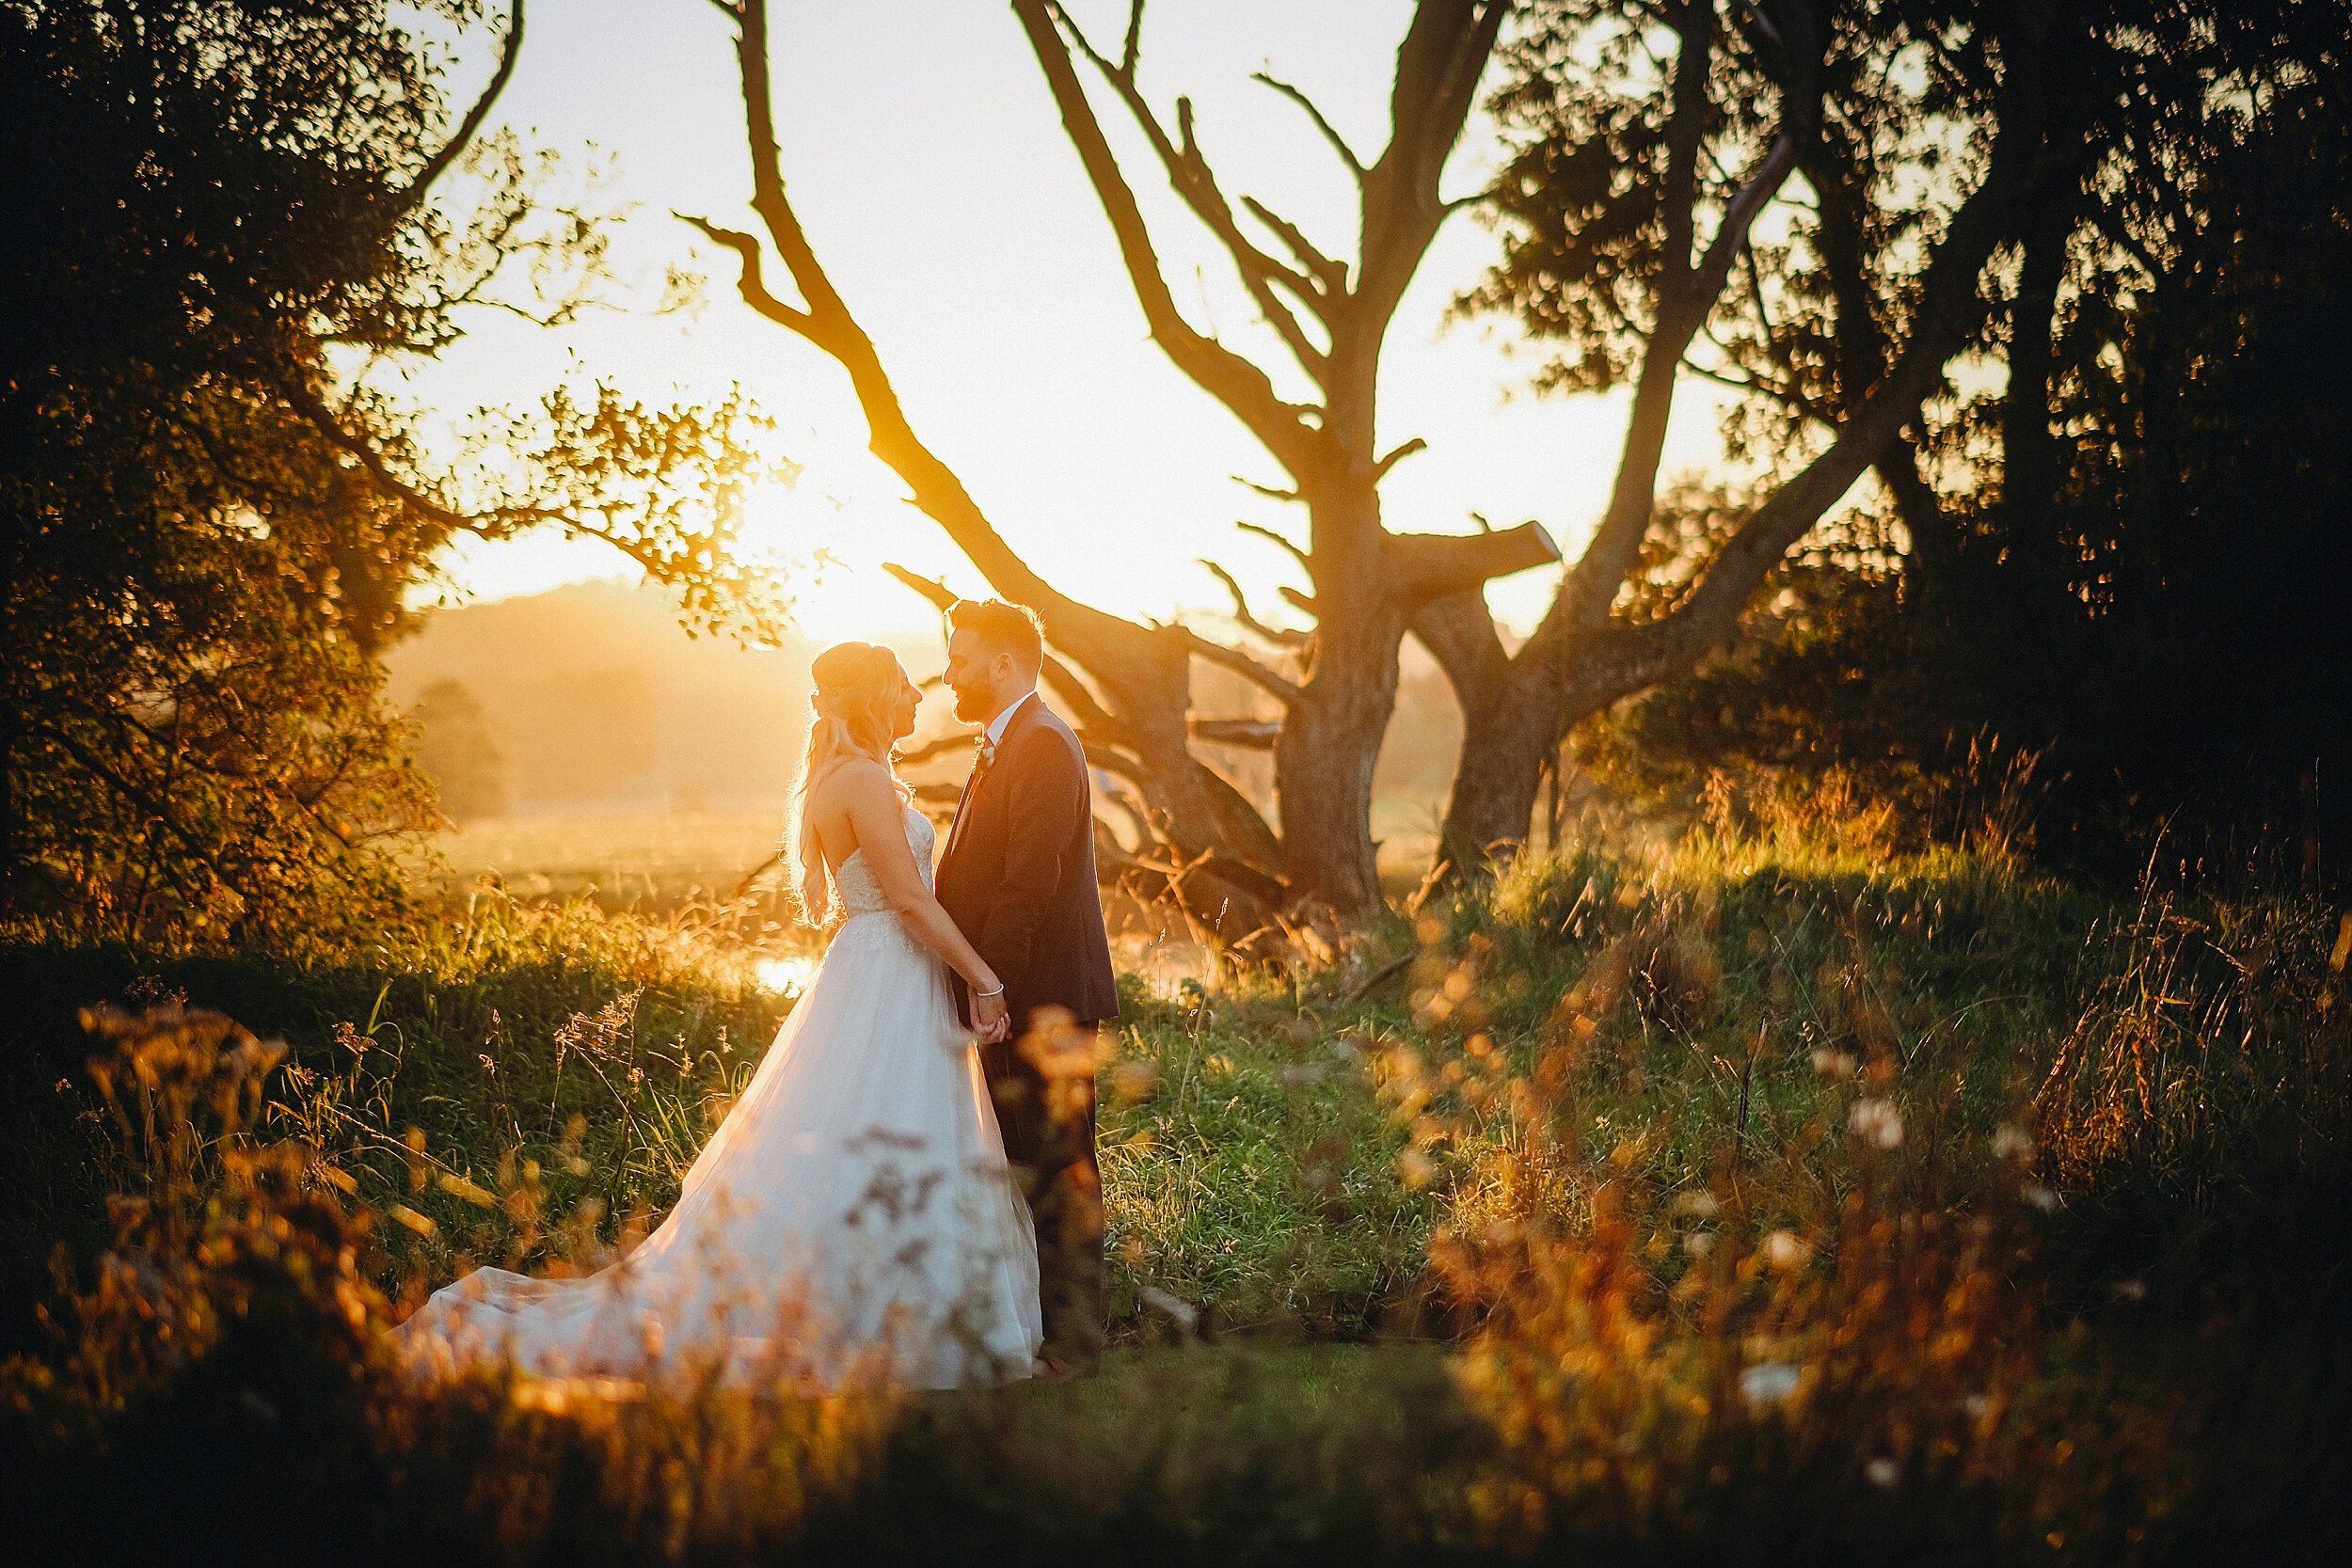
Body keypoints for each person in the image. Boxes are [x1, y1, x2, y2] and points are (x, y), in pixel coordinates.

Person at [397, 642, 1042, 1388]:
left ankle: (894, 1308)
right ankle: (871, 1318)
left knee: (883, 1142)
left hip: (885, 971)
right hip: (888, 973)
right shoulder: (861, 778)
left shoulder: (855, 775)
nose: (915, 698)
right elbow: (907, 897)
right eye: (903, 686)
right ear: (871, 697)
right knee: (880, 1138)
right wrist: (985, 975)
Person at [933, 598, 1120, 1376]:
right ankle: (1052, 1328)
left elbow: (1028, 884)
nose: (950, 673)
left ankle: (1077, 1341)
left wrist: (992, 985)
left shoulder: (1042, 744)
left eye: (961, 658)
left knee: (1058, 1161)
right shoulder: (1006, 743)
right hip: (1021, 994)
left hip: (1041, 998)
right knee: (1033, 1159)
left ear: (1003, 663)